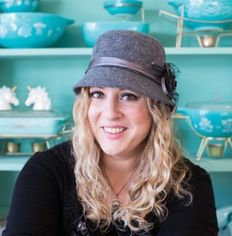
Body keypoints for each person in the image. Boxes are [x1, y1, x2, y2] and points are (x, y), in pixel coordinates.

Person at [3, 30, 218, 236]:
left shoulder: (190, 185)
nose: (110, 112)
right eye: (98, 94)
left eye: (128, 96)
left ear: (156, 110)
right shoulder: (45, 172)